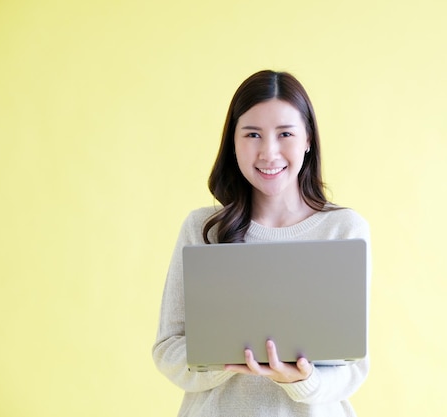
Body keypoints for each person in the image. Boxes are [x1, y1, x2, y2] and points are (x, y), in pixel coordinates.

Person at [152, 69, 371, 416]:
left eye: (285, 133)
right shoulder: (203, 229)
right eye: (252, 134)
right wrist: (223, 362)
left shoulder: (342, 230)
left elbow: (354, 366)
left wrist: (301, 379)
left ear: (308, 139)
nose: (269, 153)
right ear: (233, 142)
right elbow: (168, 348)